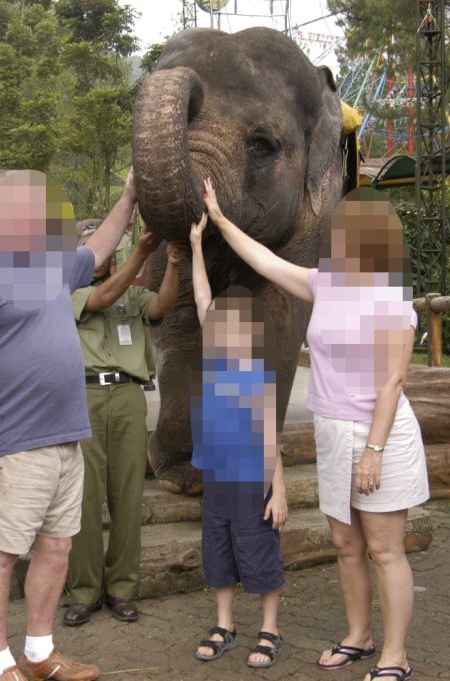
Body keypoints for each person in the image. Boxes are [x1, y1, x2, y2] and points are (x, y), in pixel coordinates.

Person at [201, 178, 428, 681]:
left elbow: (393, 382)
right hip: (332, 430)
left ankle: (396, 656)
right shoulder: (326, 281)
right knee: (346, 546)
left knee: (385, 549)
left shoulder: (393, 297)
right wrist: (219, 219)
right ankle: (358, 637)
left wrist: (373, 451)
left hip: (379, 436)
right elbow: (264, 261)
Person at [0, 169, 137, 681]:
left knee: (57, 546)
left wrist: (130, 195)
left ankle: (41, 653)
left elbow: (101, 247)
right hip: (7, 445)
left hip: (65, 439)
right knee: (1, 556)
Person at [64, 224, 185, 626]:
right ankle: (83, 591)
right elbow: (103, 297)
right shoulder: (71, 292)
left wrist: (169, 262)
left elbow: (162, 305)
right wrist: (140, 253)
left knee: (128, 494)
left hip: (129, 397)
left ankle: (122, 589)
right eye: (97, 249)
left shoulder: (133, 295)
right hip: (86, 398)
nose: (106, 256)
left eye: (112, 249)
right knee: (85, 497)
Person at [187, 212, 289, 669]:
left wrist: (279, 489)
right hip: (217, 481)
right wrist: (194, 247)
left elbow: (271, 433)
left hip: (254, 481)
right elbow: (202, 295)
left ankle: (271, 629)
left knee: (260, 552)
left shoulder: (255, 376)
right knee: (220, 553)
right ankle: (225, 624)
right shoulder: (213, 363)